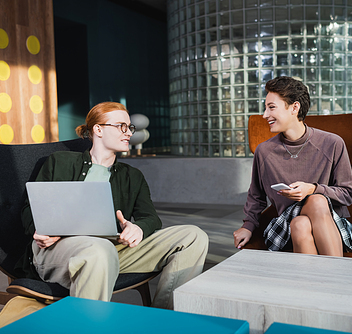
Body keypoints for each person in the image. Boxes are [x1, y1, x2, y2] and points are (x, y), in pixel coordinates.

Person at [15, 101, 209, 309]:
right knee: (99, 250)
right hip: (59, 251)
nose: (128, 133)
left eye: (130, 127)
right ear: (98, 129)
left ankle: (162, 318)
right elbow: (30, 207)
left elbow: (151, 218)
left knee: (193, 236)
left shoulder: (132, 176)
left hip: (113, 250)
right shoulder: (59, 162)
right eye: (121, 126)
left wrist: (138, 227)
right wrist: (39, 230)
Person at [233, 76, 352, 255]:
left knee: (305, 218)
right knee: (307, 211)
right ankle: (338, 276)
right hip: (284, 229)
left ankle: (315, 282)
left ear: (295, 107)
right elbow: (256, 196)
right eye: (265, 108)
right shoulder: (264, 151)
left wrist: (312, 189)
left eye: (271, 107)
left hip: (328, 224)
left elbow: (347, 194)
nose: (265, 115)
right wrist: (248, 226)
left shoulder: (332, 143)